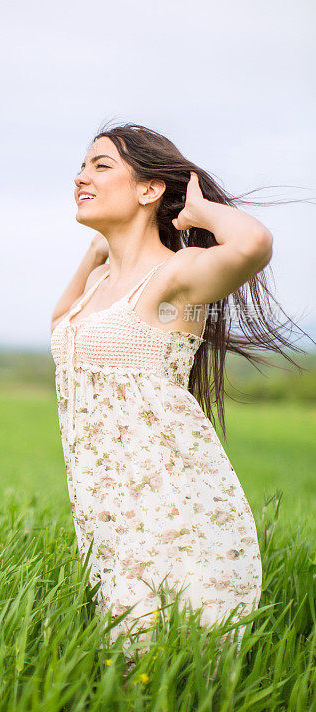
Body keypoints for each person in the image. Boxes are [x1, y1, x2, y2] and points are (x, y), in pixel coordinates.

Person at [49, 122, 310, 665]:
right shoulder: (99, 285)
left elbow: (253, 243)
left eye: (101, 166)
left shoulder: (177, 280)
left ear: (149, 190)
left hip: (167, 505)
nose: (81, 177)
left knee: (165, 663)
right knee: (125, 664)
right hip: (107, 510)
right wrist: (94, 255)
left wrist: (199, 213)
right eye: (82, 165)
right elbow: (61, 326)